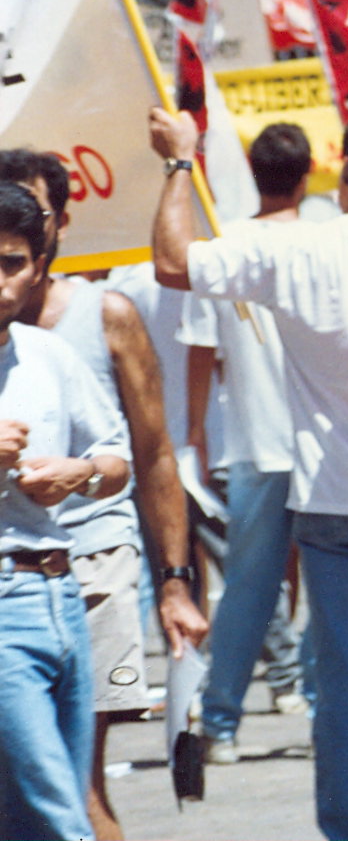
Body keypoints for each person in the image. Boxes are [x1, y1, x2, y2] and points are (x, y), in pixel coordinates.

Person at [149, 106, 348, 841]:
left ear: (345, 172)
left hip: (334, 498)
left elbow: (174, 262)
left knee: (343, 689)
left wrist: (178, 161)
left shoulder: (298, 249)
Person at [0, 148, 210, 841]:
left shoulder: (85, 326)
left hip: (90, 574)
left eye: (16, 256)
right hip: (14, 597)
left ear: (50, 237)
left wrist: (176, 582)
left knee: (74, 785)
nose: (6, 278)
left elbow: (145, 457)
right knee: (51, 797)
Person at [0, 180, 130, 840]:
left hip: (62, 592)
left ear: (39, 265)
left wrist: (78, 474)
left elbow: (117, 459)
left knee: (49, 809)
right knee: (58, 817)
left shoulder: (48, 356)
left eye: (12, 263)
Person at [183, 123, 310, 762]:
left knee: (249, 587)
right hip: (325, 444)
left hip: (260, 441)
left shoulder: (225, 244)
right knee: (340, 587)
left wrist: (198, 428)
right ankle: (330, 713)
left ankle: (222, 725)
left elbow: (201, 349)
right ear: (307, 175)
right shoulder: (324, 239)